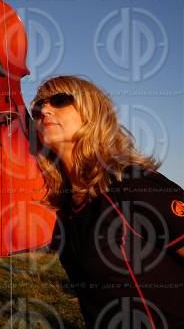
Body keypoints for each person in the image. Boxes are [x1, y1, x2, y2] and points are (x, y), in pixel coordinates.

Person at [31, 75, 184, 328]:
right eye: (38, 107)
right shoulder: (65, 209)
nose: (45, 109)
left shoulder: (133, 184)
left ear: (92, 111)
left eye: (60, 100)